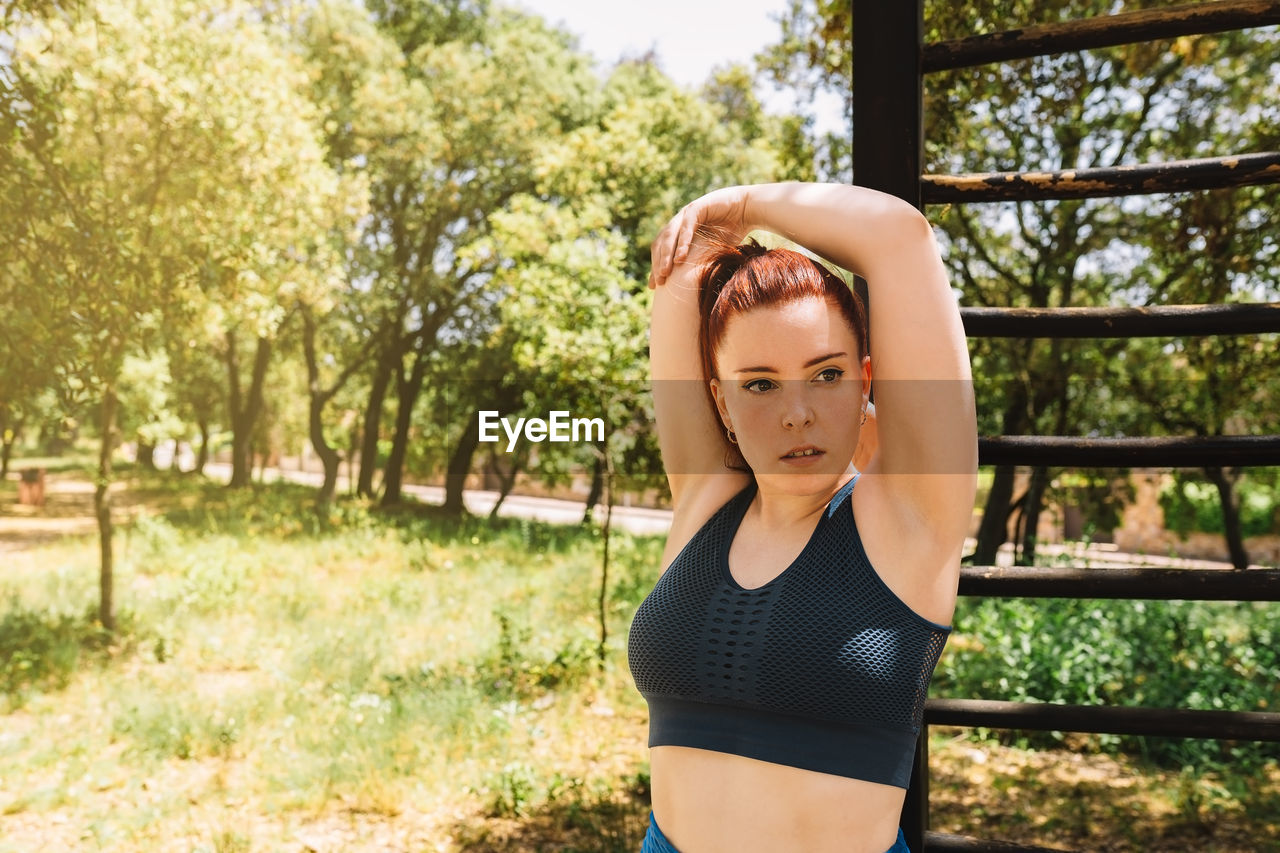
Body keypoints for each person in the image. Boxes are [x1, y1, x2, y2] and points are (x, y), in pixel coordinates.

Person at [627, 182, 977, 853]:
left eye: (826, 375)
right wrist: (700, 234)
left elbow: (898, 237)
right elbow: (679, 269)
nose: (797, 412)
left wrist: (746, 202)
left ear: (866, 379)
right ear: (720, 404)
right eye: (758, 384)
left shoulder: (906, 517)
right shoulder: (706, 502)